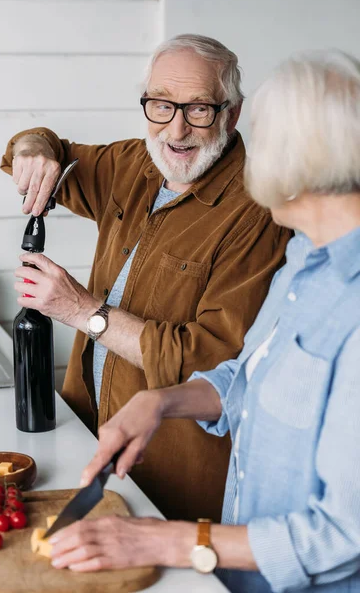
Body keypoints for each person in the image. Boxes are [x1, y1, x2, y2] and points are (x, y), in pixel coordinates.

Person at [47, 50, 360, 593]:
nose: (245, 158)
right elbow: (247, 378)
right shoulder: (305, 262)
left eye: (260, 140)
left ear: (302, 158)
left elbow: (343, 533)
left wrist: (162, 541)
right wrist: (160, 401)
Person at [0, 34, 290, 522]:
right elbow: (35, 149)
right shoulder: (133, 164)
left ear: (231, 113)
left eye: (198, 109)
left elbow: (211, 362)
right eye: (160, 105)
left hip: (165, 477)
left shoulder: (258, 211)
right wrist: (35, 147)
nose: (175, 129)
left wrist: (82, 311)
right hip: (86, 438)